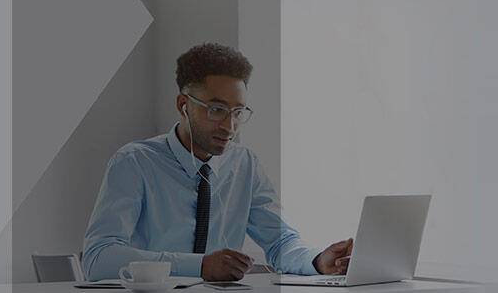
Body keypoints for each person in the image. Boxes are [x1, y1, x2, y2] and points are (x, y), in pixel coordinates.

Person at [82, 42, 353, 281]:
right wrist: (199, 266)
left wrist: (317, 261)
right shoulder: (134, 162)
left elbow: (280, 241)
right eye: (216, 110)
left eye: (237, 112)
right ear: (183, 105)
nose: (230, 126)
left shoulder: (245, 164)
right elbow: (98, 258)